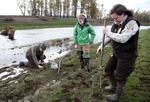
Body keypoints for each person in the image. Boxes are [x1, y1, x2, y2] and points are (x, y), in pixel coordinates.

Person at [96, 4, 140, 101]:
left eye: (116, 18)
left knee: (120, 75)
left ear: (123, 14)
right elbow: (109, 37)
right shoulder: (116, 23)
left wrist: (107, 32)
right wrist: (101, 46)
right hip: (117, 53)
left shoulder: (132, 23)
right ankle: (113, 86)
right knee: (108, 69)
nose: (115, 21)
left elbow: (123, 38)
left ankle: (117, 95)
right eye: (113, 19)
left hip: (128, 55)